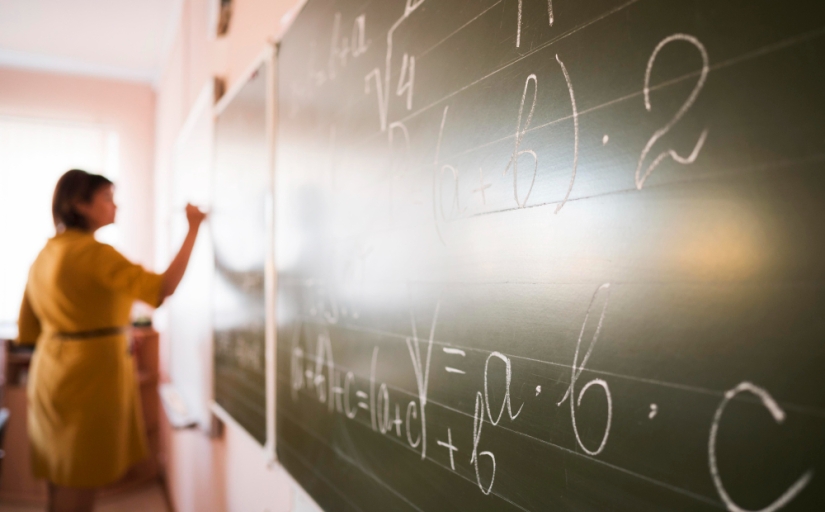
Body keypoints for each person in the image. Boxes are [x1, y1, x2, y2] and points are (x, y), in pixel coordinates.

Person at [15, 169, 206, 512]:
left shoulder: (45, 253)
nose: (115, 205)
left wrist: (105, 326)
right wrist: (193, 228)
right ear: (79, 205)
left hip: (50, 372)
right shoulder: (94, 253)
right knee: (83, 476)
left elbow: (28, 329)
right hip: (87, 378)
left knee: (61, 474)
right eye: (106, 198)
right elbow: (162, 288)